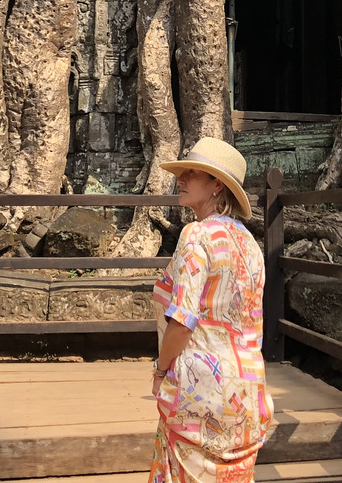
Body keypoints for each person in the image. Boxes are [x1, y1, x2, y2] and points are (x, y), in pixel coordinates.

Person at [149, 136, 273, 483]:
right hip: (247, 392)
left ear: (217, 184)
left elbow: (183, 320)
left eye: (192, 173)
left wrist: (160, 372)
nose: (181, 178)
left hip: (199, 393)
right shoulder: (249, 244)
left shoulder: (196, 235)